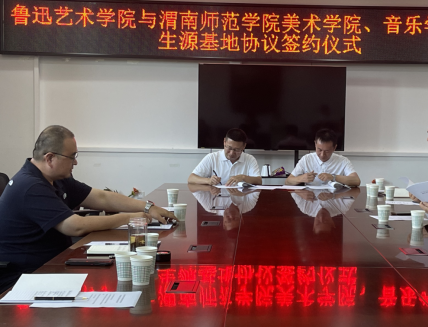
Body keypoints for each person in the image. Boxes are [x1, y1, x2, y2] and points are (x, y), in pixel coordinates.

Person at [0, 125, 177, 292]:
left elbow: (101, 197)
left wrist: (148, 208)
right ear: (50, 158)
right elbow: (75, 226)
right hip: (24, 277)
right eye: (72, 156)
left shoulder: (56, 178)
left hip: (53, 265)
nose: (75, 162)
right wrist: (129, 218)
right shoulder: (30, 186)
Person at [286, 129, 361, 187]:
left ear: (334, 148)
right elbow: (288, 181)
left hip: (334, 199)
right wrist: (301, 178)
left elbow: (356, 181)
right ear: (315, 144)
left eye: (327, 151)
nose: (322, 155)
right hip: (311, 198)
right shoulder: (306, 159)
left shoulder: (343, 161)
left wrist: (333, 177)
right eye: (319, 150)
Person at [188, 128, 262, 186]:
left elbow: (259, 181)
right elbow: (191, 178)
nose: (232, 153)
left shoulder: (250, 159)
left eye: (237, 150)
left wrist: (243, 177)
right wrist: (209, 181)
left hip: (241, 197)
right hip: (217, 197)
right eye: (229, 148)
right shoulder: (212, 158)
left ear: (244, 146)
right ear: (224, 142)